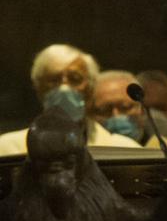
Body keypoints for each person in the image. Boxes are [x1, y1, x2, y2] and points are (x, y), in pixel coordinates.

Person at [1, 47, 140, 153]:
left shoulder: (124, 149)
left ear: (91, 88)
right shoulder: (9, 148)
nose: (64, 87)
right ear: (38, 88)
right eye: (53, 80)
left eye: (75, 79)